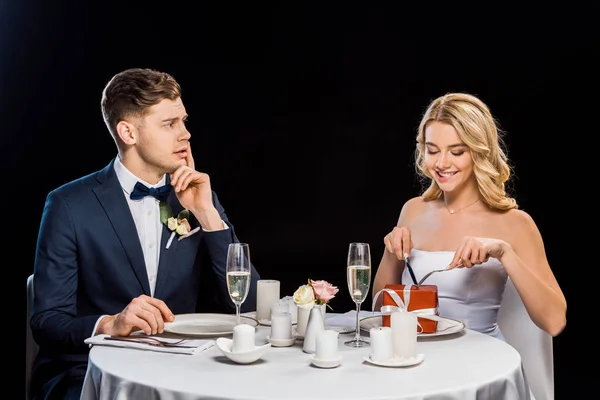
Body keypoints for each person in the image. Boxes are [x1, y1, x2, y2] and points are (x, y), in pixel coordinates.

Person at [30, 67, 261, 400]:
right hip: (89, 371)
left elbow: (249, 304)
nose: (186, 135)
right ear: (128, 132)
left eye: (183, 121)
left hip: (186, 369)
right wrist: (110, 323)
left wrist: (208, 215)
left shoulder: (198, 197)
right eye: (169, 124)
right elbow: (47, 322)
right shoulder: (68, 204)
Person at [372, 92, 566, 341]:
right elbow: (380, 312)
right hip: (414, 356)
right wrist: (391, 252)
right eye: (433, 151)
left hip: (480, 364)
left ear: (479, 152)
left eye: (457, 152)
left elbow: (554, 322)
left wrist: (504, 253)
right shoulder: (413, 209)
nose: (442, 163)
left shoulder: (515, 223)